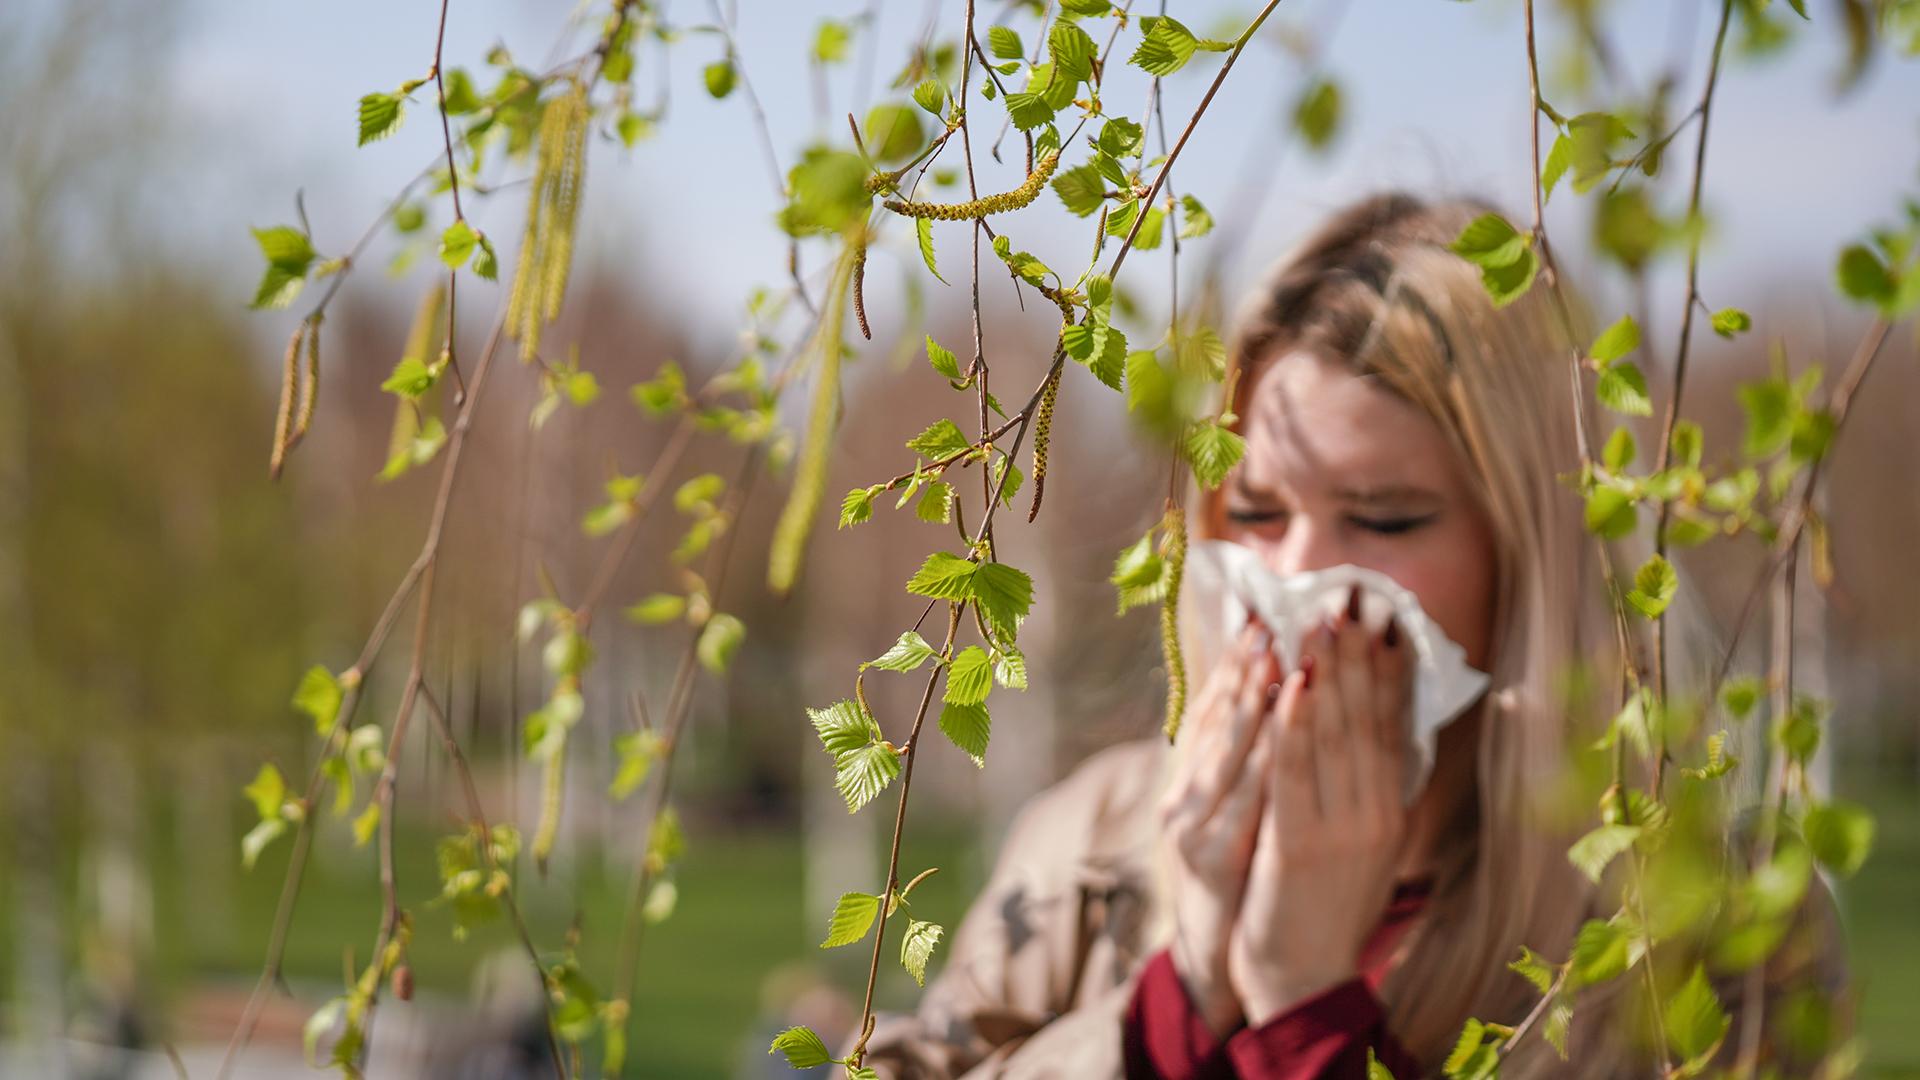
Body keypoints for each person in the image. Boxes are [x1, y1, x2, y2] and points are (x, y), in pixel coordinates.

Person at [855, 193, 1846, 1079]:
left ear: (1527, 556)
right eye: (1255, 514)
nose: (1300, 583)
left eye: (1385, 519)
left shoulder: (1704, 926)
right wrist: (1182, 997)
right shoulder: (1088, 841)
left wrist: (1304, 1014)